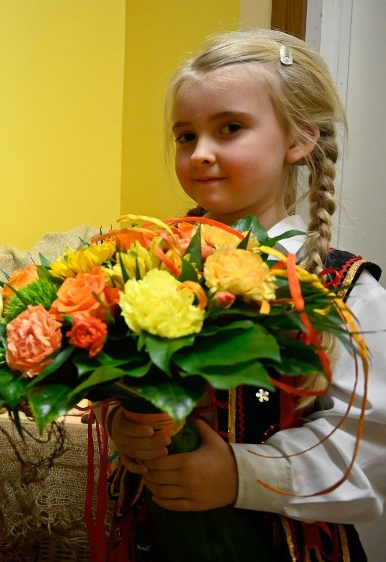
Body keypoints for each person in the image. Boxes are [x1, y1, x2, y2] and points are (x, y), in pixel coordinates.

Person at [106, 29, 386, 560]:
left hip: (283, 544)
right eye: (186, 136)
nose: (201, 153)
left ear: (298, 140)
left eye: (230, 128)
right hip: (156, 535)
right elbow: (118, 374)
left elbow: (369, 442)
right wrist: (126, 425)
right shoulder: (145, 268)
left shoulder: (345, 289)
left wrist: (242, 474)